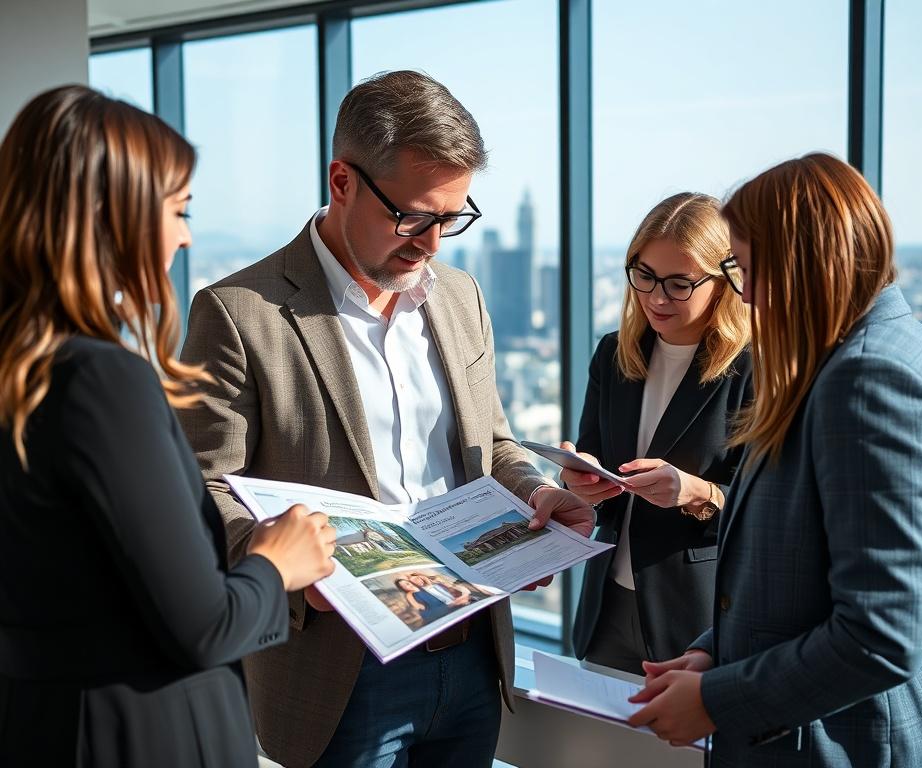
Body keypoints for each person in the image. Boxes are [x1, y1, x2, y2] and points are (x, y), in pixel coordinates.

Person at [178, 70, 593, 768]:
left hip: (471, 654)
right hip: (338, 669)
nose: (432, 243)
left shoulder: (459, 296)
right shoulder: (239, 312)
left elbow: (491, 443)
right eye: (414, 217)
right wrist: (291, 562)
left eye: (452, 218)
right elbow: (202, 490)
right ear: (342, 181)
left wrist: (537, 495)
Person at [0, 86, 337, 767]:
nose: (185, 237)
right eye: (178, 211)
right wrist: (278, 562)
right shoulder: (98, 381)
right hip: (139, 734)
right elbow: (207, 625)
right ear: (109, 214)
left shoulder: (21, 369)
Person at [628, 153, 922, 767]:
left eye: (746, 267)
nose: (747, 293)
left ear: (801, 264)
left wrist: (718, 698)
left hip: (851, 745)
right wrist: (718, 650)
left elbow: (879, 636)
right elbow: (803, 577)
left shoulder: (870, 381)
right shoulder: (869, 353)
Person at [562, 193, 752, 675]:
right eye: (644, 276)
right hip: (607, 607)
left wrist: (693, 492)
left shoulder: (755, 370)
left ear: (723, 283)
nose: (657, 298)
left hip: (698, 621)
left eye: (679, 284)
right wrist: (580, 483)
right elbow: (600, 475)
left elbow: (767, 513)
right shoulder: (614, 354)